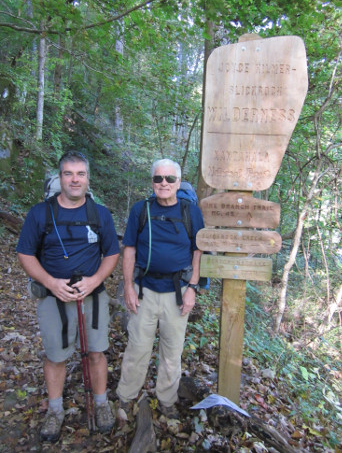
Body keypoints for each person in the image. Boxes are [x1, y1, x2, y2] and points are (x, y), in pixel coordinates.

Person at [16, 151, 120, 442]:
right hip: (53, 297)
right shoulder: (40, 213)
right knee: (55, 355)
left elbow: (111, 253)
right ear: (59, 177)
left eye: (80, 174)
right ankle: (55, 410)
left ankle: (101, 405)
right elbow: (25, 253)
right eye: (68, 174)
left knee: (97, 352)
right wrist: (52, 282)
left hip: (93, 296)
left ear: (88, 178)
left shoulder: (100, 214)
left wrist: (95, 280)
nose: (75, 179)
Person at [116, 159, 204, 419]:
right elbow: (129, 248)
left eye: (169, 179)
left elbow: (198, 251)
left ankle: (167, 399)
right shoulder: (140, 210)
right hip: (144, 290)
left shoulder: (190, 212)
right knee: (137, 347)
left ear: (178, 182)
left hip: (177, 292)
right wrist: (129, 287)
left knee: (172, 351)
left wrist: (193, 288)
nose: (163, 183)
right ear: (152, 182)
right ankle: (126, 396)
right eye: (158, 179)